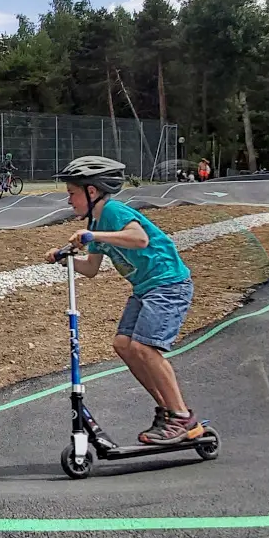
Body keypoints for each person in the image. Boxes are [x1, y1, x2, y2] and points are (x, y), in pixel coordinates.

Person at [46, 156, 204, 447]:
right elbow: (91, 269)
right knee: (123, 345)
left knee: (144, 347)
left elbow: (139, 238)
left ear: (91, 192)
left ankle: (182, 417)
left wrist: (94, 234)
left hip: (168, 284)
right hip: (146, 288)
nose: (69, 201)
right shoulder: (95, 221)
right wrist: (64, 259)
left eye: (72, 193)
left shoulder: (112, 211)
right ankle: (168, 411)